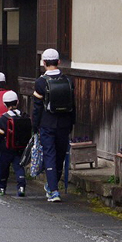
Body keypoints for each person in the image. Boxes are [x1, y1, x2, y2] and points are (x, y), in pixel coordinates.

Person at [33, 48, 75, 202]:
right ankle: (52, 186)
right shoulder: (68, 80)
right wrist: (71, 123)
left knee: (49, 154)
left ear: (44, 62)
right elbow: (73, 105)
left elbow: (37, 107)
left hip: (47, 123)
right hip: (64, 123)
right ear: (58, 62)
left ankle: (53, 190)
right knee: (60, 155)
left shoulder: (40, 82)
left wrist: (35, 126)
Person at [0, 90, 32, 196]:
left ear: (4, 104)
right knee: (19, 166)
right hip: (21, 147)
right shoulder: (24, 116)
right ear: (17, 102)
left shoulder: (3, 118)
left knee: (4, 167)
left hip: (7, 147)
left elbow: (0, 135)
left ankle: (2, 187)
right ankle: (21, 186)